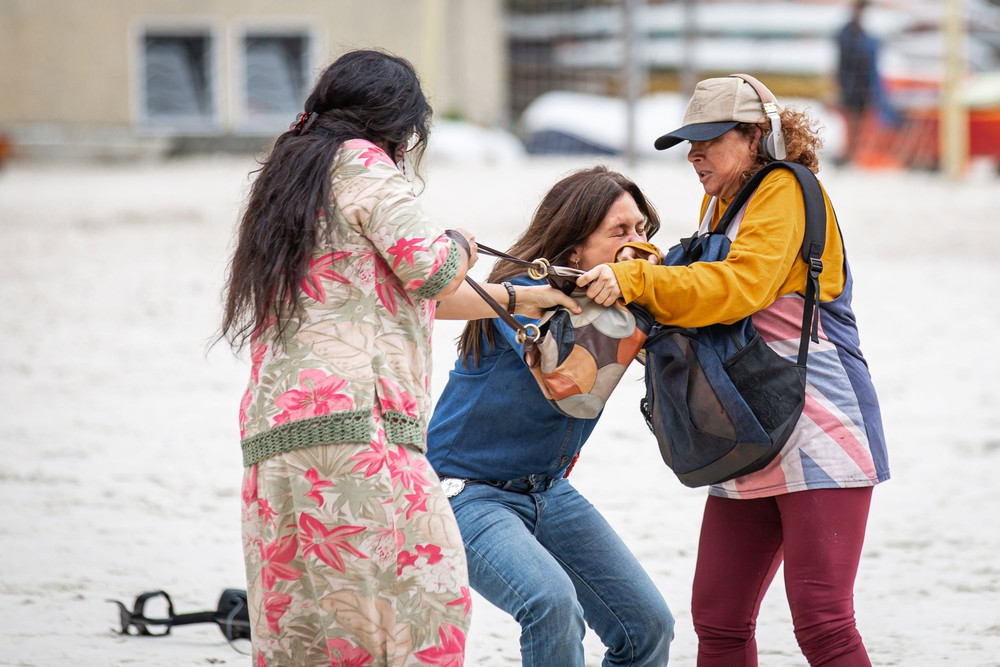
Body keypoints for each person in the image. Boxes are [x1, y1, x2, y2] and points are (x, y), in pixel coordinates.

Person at [219, 49, 577, 666]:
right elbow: (433, 270)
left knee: (306, 631)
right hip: (359, 430)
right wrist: (461, 241)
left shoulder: (290, 176)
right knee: (419, 607)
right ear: (395, 121)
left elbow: (407, 299)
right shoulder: (362, 161)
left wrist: (529, 295)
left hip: (274, 439)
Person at [580, 75, 889, 666]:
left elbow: (738, 287)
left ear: (756, 136)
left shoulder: (786, 188)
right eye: (688, 143)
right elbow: (697, 280)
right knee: (718, 618)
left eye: (709, 139)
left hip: (821, 421)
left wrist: (635, 277)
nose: (694, 154)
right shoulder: (725, 200)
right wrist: (638, 264)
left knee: (822, 622)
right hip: (750, 414)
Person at [426, 166, 676, 667]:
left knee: (649, 627)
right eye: (620, 233)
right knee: (551, 606)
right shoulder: (522, 294)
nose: (639, 243)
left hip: (548, 490)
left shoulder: (629, 303)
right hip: (464, 493)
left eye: (644, 230)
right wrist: (649, 301)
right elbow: (572, 381)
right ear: (574, 252)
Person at [836, 0, 878, 165]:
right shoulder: (849, 32)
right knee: (851, 120)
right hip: (852, 83)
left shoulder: (860, 32)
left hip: (860, 83)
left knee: (858, 120)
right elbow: (844, 60)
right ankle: (849, 152)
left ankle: (852, 153)